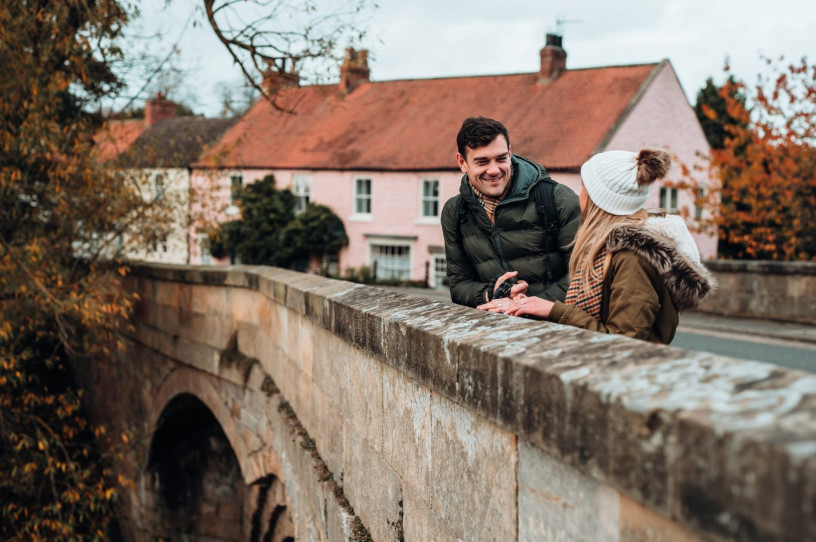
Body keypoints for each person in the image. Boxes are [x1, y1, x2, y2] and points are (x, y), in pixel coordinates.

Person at [477, 148, 715, 344]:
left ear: (596, 199)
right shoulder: (608, 248)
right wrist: (530, 304)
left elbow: (624, 341)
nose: (579, 193)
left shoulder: (632, 257)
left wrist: (553, 310)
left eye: (583, 186)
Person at [442, 116, 581, 307]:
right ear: (462, 162)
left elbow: (584, 273)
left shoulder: (558, 199)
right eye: (482, 162)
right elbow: (458, 285)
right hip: (496, 329)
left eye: (501, 158)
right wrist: (491, 293)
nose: (493, 170)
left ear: (510, 152)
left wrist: (526, 306)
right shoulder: (455, 212)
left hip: (558, 327)